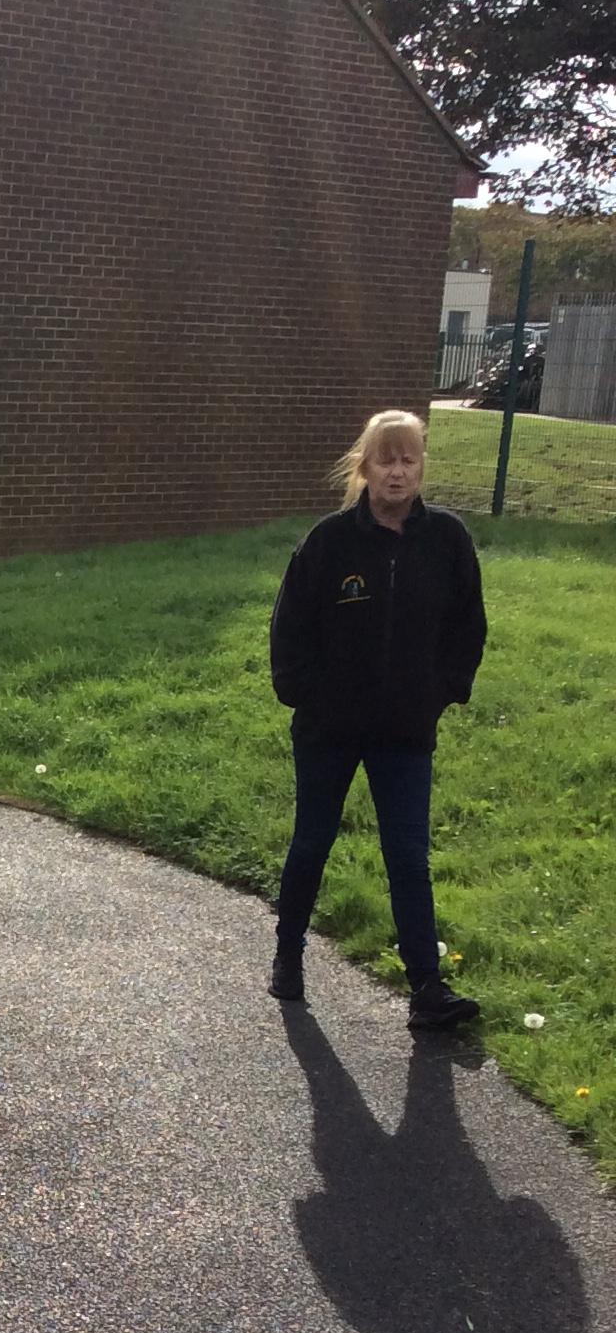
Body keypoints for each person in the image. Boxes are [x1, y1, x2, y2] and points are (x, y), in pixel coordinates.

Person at [268, 408, 486, 1032]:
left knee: (408, 856)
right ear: (365, 467)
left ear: (422, 467)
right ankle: (288, 954)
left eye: (408, 460)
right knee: (312, 841)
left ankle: (427, 988)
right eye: (386, 460)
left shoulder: (447, 539)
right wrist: (306, 695)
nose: (397, 472)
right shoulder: (330, 541)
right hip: (328, 731)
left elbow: (467, 625)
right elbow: (290, 627)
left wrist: (442, 692)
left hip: (405, 733)